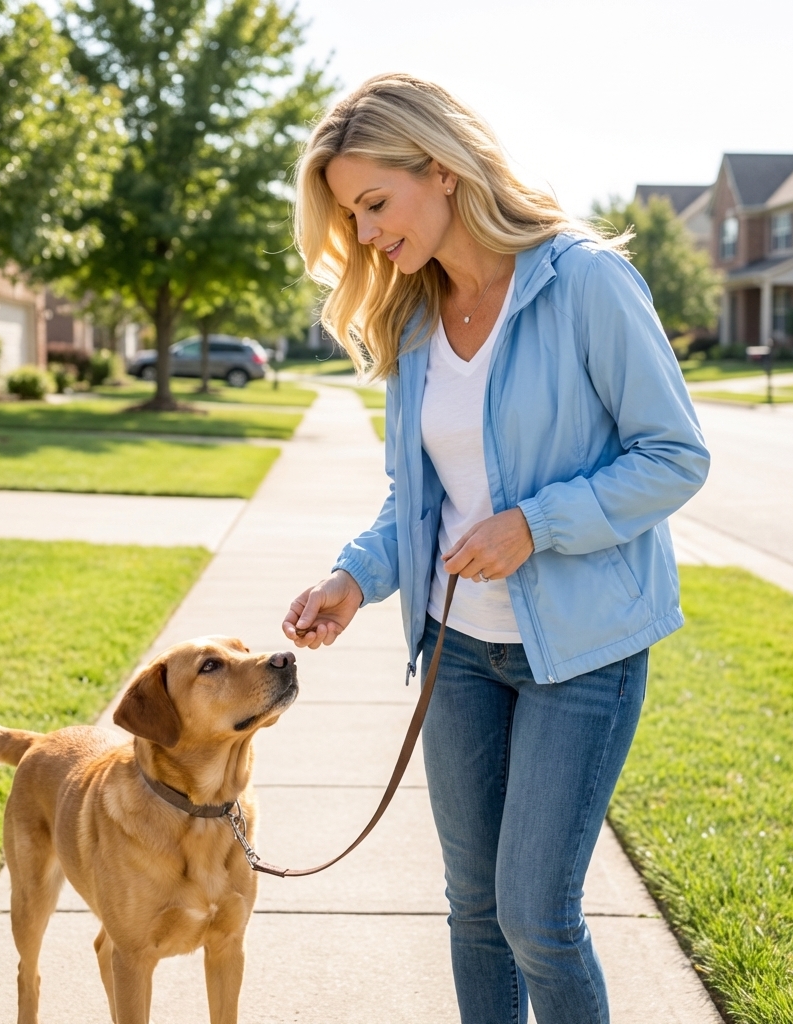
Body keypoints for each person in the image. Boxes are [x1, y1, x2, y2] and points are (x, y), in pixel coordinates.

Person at [282, 73, 709, 1024]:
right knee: (473, 913)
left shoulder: (585, 280)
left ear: (441, 168)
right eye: (351, 217)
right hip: (456, 652)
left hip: (581, 658)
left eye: (374, 204)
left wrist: (535, 526)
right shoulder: (414, 317)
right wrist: (356, 576)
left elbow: (676, 457)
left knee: (536, 918)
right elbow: (420, 498)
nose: (364, 236)